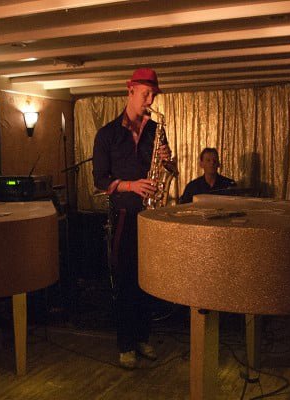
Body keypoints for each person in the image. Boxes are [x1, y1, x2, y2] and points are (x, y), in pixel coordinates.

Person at [92, 68, 171, 369]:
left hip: (150, 216)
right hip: (124, 215)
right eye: (146, 93)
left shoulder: (155, 130)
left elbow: (169, 170)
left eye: (153, 95)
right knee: (125, 281)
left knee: (148, 280)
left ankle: (142, 337)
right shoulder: (107, 134)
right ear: (130, 91)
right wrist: (131, 186)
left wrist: (167, 161)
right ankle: (125, 344)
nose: (150, 100)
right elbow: (100, 180)